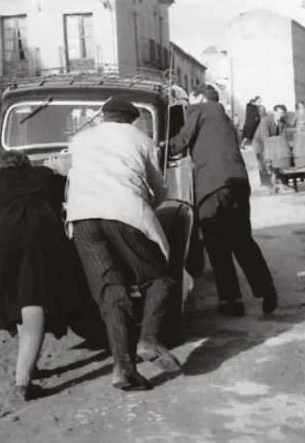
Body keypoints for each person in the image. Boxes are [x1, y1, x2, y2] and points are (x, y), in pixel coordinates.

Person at [65, 97, 182, 392]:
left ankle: (123, 369)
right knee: (159, 280)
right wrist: (148, 202)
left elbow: (69, 179)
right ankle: (149, 338)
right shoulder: (142, 140)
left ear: (103, 116)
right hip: (124, 212)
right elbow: (158, 187)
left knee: (112, 293)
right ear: (132, 119)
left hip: (82, 218)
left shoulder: (80, 139)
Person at [0, 151, 87, 402]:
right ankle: (23, 381)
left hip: (0, 250)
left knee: (18, 306)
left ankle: (28, 366)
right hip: (41, 244)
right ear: (26, 164)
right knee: (34, 305)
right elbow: (76, 194)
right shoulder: (46, 177)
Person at [162, 85, 277, 317]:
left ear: (200, 97)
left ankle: (231, 301)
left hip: (212, 185)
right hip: (238, 182)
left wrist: (159, 148)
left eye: (191, 99)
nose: (189, 105)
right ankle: (266, 288)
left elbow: (181, 141)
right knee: (242, 239)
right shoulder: (224, 117)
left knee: (217, 243)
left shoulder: (199, 110)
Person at [252, 104, 289, 188]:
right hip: (259, 143)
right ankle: (265, 183)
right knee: (263, 162)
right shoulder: (266, 120)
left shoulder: (283, 122)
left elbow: (283, 136)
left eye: (282, 113)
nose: (280, 115)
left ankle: (277, 179)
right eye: (279, 112)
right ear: (274, 112)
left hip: (272, 142)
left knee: (277, 159)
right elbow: (265, 137)